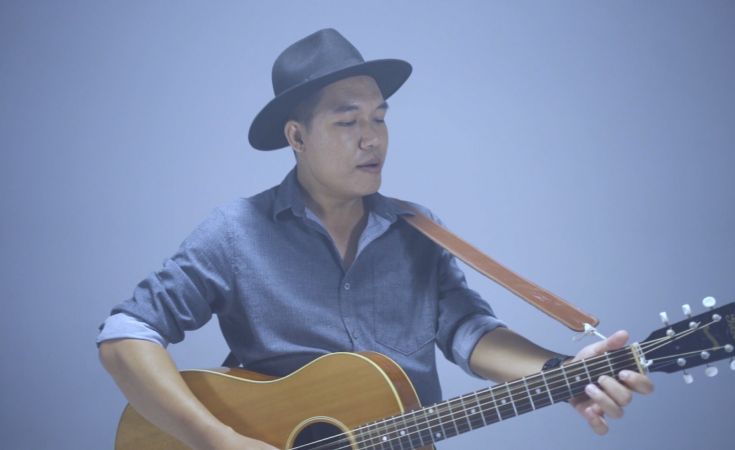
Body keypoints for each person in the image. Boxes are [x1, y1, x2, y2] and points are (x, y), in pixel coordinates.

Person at [98, 28, 653, 450]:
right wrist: (216, 440)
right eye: (348, 122)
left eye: (379, 118)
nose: (372, 140)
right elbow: (125, 334)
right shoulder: (235, 232)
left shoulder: (417, 231)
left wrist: (563, 374)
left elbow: (468, 332)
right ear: (297, 137)